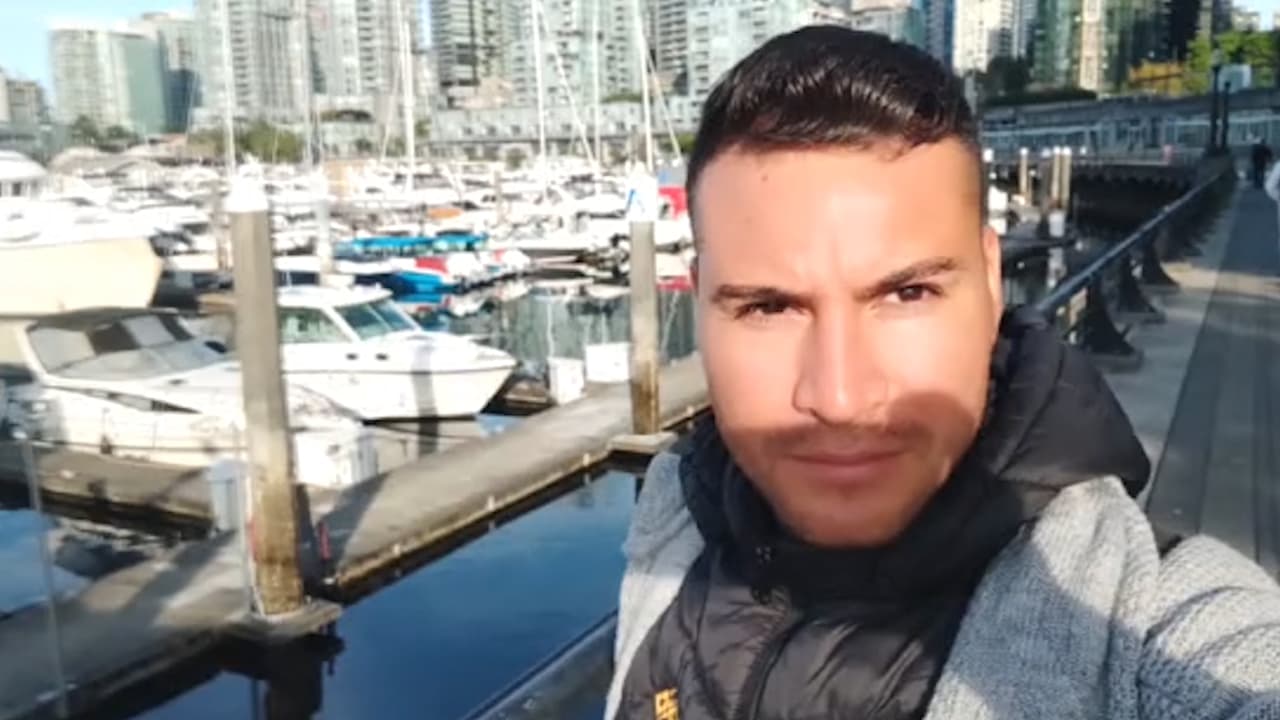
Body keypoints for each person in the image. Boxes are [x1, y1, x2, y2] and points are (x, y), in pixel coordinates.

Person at [605, 26, 1280, 720]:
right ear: (700, 303)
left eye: (908, 294)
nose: (840, 398)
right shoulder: (675, 522)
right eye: (769, 307)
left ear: (991, 282)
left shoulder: (1154, 632)